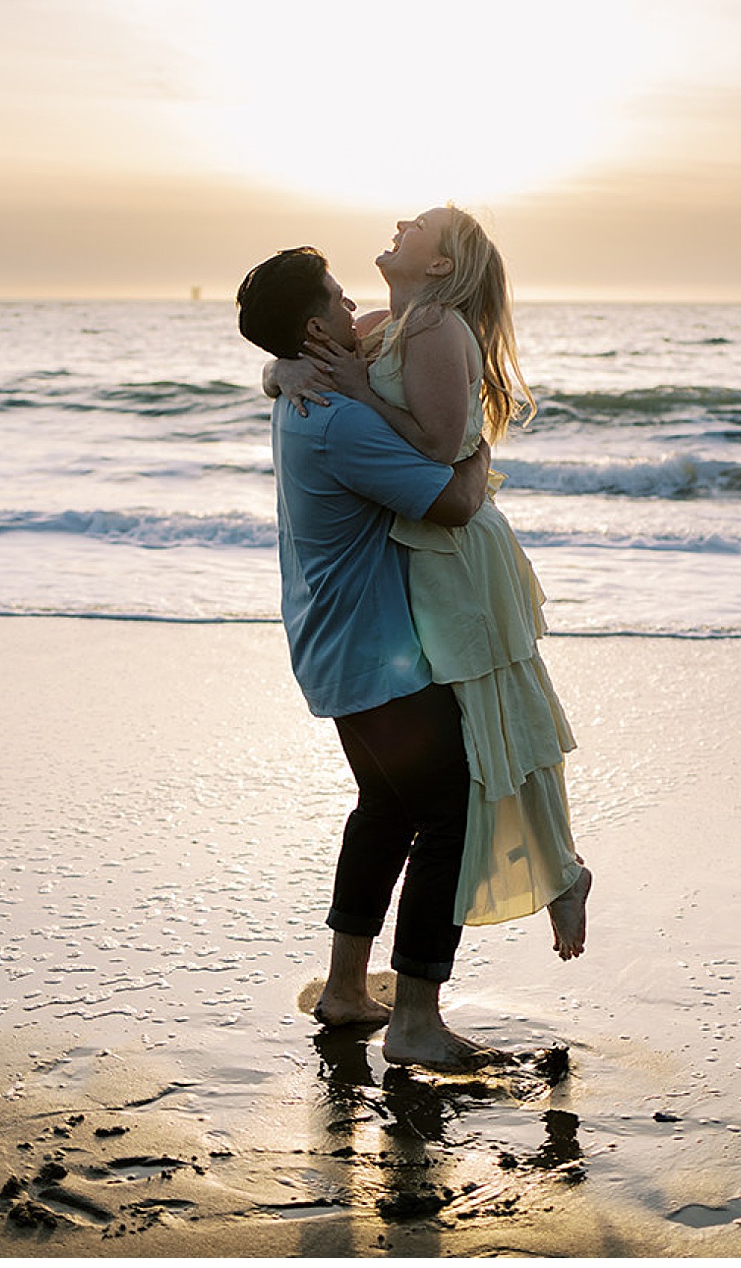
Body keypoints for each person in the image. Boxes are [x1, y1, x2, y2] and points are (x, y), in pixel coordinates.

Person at [265, 205, 592, 962]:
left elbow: (447, 449)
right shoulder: (382, 321)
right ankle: (379, 981)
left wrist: (358, 391)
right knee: (442, 770)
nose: (400, 223)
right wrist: (280, 369)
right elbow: (310, 366)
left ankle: (562, 872)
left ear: (441, 265)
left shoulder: (439, 327)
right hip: (416, 548)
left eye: (420, 223)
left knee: (499, 725)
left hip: (454, 550)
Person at [236, 245, 498, 1070]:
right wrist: (478, 442)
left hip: (333, 643)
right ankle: (417, 1018)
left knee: (385, 808)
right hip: (374, 658)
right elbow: (453, 502)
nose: (354, 309)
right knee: (451, 814)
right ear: (314, 327)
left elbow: (345, 353)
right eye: (339, 301)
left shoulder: (301, 396)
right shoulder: (340, 420)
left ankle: (349, 989)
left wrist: (280, 370)